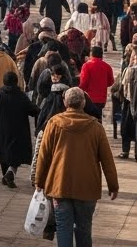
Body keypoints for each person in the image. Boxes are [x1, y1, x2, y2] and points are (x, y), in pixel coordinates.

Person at [34, 87, 119, 247]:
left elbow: (43, 156)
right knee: (84, 229)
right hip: (87, 188)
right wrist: (113, 185)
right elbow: (107, 160)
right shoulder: (96, 127)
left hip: (60, 186)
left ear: (65, 103)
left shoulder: (54, 123)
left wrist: (39, 181)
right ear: (84, 103)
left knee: (63, 227)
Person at [0, 71, 39, 188]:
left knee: (2, 152)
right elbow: (33, 110)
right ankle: (10, 172)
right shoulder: (21, 96)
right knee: (15, 154)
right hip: (18, 130)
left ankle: (6, 174)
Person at [79, 46, 114, 121]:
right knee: (98, 118)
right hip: (101, 98)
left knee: (88, 120)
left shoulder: (86, 66)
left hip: (89, 97)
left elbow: (83, 83)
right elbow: (111, 82)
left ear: (91, 54)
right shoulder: (107, 66)